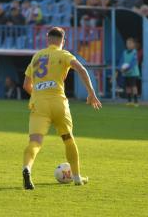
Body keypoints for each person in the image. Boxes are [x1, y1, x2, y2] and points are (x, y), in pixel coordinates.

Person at [22, 27, 102, 190]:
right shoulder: (63, 54)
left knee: (35, 141)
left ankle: (27, 168)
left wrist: (37, 94)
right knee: (68, 138)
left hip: (39, 104)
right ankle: (77, 177)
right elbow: (81, 68)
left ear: (48, 39)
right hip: (59, 102)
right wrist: (91, 93)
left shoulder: (36, 57)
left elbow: (26, 85)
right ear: (63, 41)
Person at [119, 38, 141, 106]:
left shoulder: (135, 52)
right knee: (127, 87)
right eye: (127, 43)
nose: (128, 45)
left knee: (134, 86)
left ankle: (136, 101)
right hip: (126, 73)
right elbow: (121, 61)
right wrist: (120, 68)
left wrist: (126, 68)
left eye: (130, 43)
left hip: (133, 73)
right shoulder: (124, 52)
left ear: (133, 44)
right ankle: (129, 101)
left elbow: (133, 63)